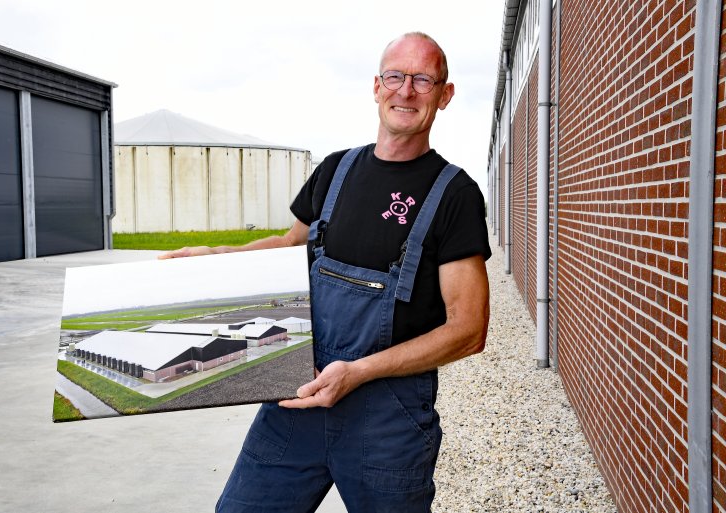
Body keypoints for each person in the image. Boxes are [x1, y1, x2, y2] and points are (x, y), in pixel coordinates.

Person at [160, 32, 491, 513]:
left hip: (388, 420)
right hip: (296, 395)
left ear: (446, 94)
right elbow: (289, 245)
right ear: (376, 86)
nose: (406, 91)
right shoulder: (336, 169)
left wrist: (357, 372)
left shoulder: (455, 194)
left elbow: (468, 330)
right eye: (395, 76)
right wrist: (216, 254)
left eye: (423, 79)